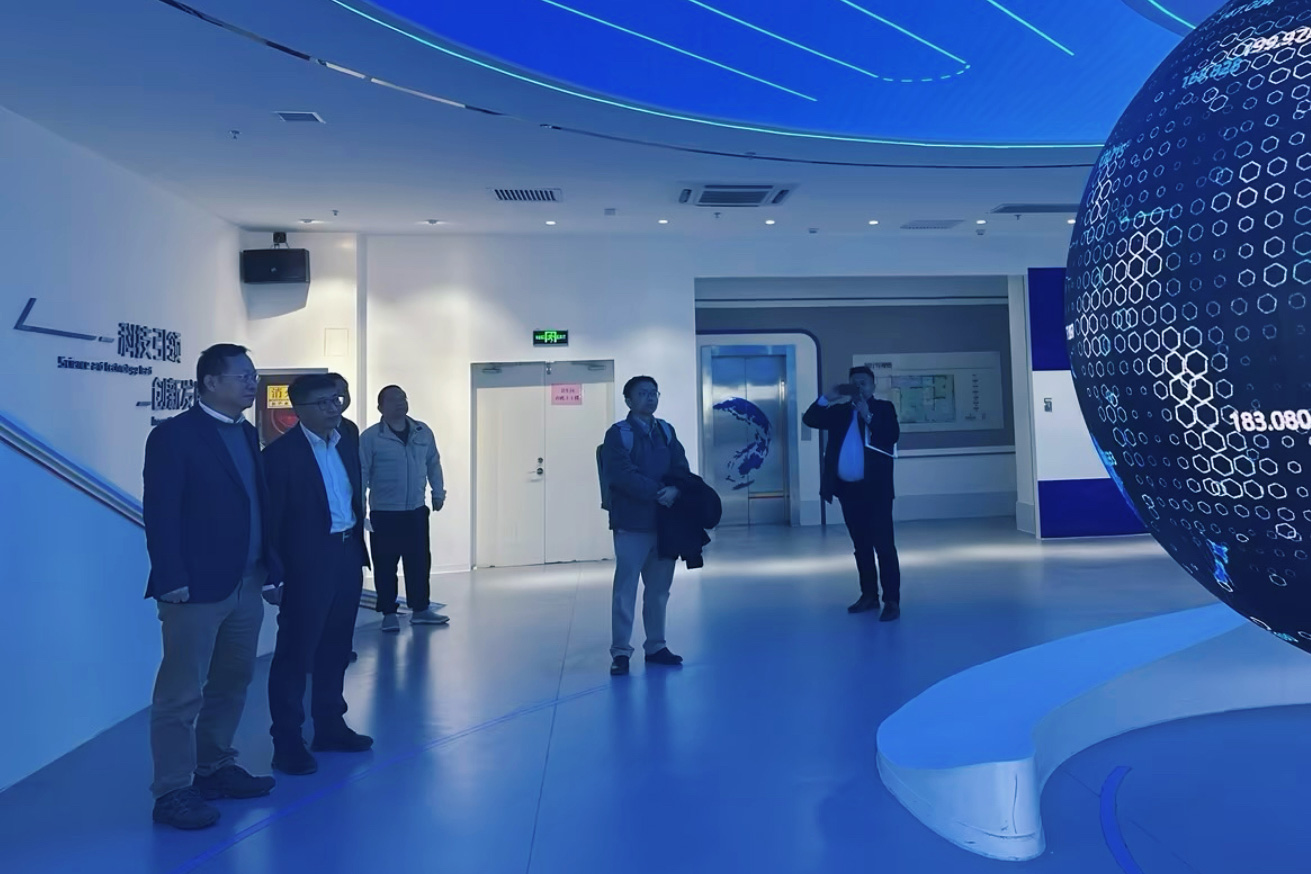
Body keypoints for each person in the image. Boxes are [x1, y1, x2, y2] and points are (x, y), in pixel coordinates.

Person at [142, 343, 281, 830]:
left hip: (246, 583)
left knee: (232, 682)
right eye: (243, 376)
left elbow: (258, 506)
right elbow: (161, 512)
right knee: (181, 693)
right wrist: (171, 577)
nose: (252, 383)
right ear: (210, 382)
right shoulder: (173, 436)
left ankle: (213, 766)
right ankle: (172, 791)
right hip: (195, 589)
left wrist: (270, 568)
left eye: (253, 375)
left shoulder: (245, 432)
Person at [264, 374, 373, 775]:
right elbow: (271, 521)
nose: (334, 409)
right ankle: (287, 741)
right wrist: (273, 573)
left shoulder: (347, 437)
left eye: (337, 400)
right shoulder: (279, 456)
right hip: (306, 562)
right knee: (295, 653)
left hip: (346, 553)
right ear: (299, 410)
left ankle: (329, 725)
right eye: (324, 403)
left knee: (337, 647)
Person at [600, 376, 690, 676]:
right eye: (642, 394)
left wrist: (677, 489)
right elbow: (621, 475)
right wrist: (659, 492)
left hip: (665, 524)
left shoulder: (666, 431)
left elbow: (681, 468)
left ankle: (656, 646)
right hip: (631, 524)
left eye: (654, 393)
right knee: (625, 590)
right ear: (628, 400)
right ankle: (621, 652)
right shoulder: (618, 434)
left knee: (659, 590)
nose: (650, 398)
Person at [803, 366, 901, 620]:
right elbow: (810, 419)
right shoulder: (839, 412)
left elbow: (890, 435)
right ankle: (869, 595)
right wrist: (828, 397)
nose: (859, 388)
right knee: (861, 546)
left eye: (863, 383)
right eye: (854, 384)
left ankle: (891, 600)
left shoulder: (884, 409)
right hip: (849, 491)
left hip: (877, 492)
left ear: (873, 386)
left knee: (884, 546)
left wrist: (867, 414)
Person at [359, 385, 450, 632]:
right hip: (384, 512)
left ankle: (420, 609)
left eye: (403, 398)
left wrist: (438, 492)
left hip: (416, 510)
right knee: (385, 564)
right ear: (380, 407)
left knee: (419, 562)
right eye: (393, 400)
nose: (400, 403)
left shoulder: (422, 431)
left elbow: (433, 463)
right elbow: (362, 473)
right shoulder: (371, 437)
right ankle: (388, 613)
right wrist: (360, 509)